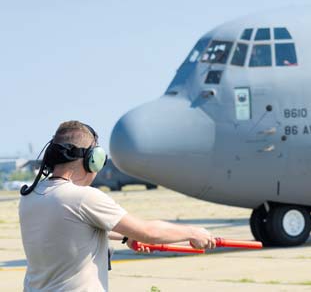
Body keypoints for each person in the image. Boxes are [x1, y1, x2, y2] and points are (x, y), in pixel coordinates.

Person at [19, 121, 215, 291]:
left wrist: (128, 235)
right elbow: (148, 232)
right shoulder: (83, 198)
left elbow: (75, 227)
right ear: (92, 160)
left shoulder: (30, 196)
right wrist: (193, 232)